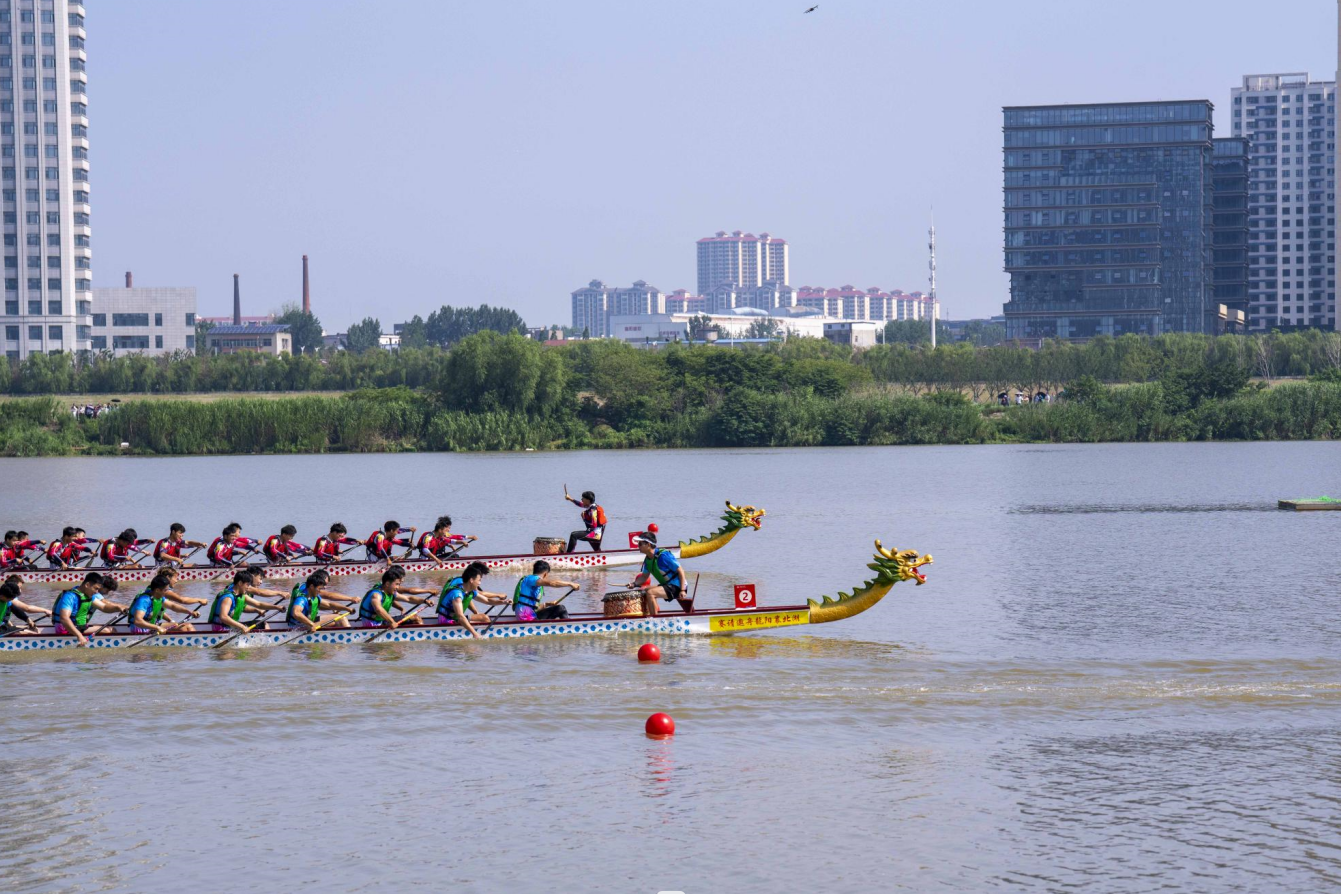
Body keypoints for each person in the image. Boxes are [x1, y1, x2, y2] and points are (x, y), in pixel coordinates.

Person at [436, 561, 509, 639]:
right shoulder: (457, 593)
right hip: (447, 621)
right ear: (471, 580)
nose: (480, 583)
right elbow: (460, 616)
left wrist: (504, 602)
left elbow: (487, 600)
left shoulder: (469, 590)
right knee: (484, 618)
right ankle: (488, 636)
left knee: (483, 617)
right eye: (479, 579)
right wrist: (474, 633)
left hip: (454, 617)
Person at [51, 572, 128, 646]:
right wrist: (79, 636)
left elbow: (104, 607)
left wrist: (118, 608)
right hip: (65, 629)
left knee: (109, 628)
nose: (97, 592)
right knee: (109, 631)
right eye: (96, 589)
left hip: (78, 627)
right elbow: (64, 618)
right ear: (87, 585)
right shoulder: (69, 597)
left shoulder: (87, 595)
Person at [627, 532, 688, 618]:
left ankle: (654, 620)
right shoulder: (647, 560)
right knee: (645, 590)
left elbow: (681, 571)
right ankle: (651, 614)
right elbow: (644, 577)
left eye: (640, 544)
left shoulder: (663, 556)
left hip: (677, 586)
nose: (638, 546)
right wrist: (634, 584)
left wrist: (682, 590)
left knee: (651, 593)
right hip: (667, 585)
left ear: (648, 544)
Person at [206, 570, 283, 633]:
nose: (248, 587)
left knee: (262, 623)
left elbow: (258, 604)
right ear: (240, 583)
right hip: (220, 629)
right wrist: (242, 626)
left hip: (229, 627)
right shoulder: (228, 598)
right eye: (247, 585)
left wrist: (277, 607)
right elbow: (223, 617)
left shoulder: (239, 595)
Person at [357, 568, 436, 629]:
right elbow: (378, 609)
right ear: (387, 584)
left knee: (415, 618)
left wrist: (425, 601)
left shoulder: (389, 591)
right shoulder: (376, 594)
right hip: (372, 625)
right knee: (416, 619)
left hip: (380, 621)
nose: (398, 587)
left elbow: (408, 598)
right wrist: (391, 622)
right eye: (397, 584)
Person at [285, 570, 358, 632]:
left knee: (338, 617)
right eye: (322, 586)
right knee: (341, 619)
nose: (322, 590)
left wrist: (347, 609)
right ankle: (350, 637)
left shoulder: (313, 594)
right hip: (300, 625)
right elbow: (296, 613)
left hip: (308, 621)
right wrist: (311, 624)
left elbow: (329, 604)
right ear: (312, 586)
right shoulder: (302, 597)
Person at [127, 574, 196, 635]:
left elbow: (173, 606)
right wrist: (157, 627)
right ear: (157, 590)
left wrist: (190, 612)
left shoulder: (159, 597)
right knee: (186, 627)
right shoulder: (144, 600)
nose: (167, 592)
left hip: (151, 626)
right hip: (139, 630)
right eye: (165, 590)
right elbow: (137, 621)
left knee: (182, 626)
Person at [512, 560, 579, 621]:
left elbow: (534, 608)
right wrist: (570, 584)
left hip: (524, 615)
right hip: (526, 616)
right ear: (545, 574)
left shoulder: (528, 580)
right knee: (561, 608)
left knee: (556, 610)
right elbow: (552, 583)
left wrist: (547, 604)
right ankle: (568, 628)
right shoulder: (533, 579)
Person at [563, 485, 606, 553]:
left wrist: (584, 518)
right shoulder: (590, 506)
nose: (581, 499)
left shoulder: (593, 510)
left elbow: (593, 524)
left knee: (574, 535)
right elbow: (580, 504)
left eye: (583, 498)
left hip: (595, 535)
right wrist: (570, 499)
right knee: (597, 551)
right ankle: (600, 556)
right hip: (594, 533)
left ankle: (568, 555)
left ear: (588, 500)